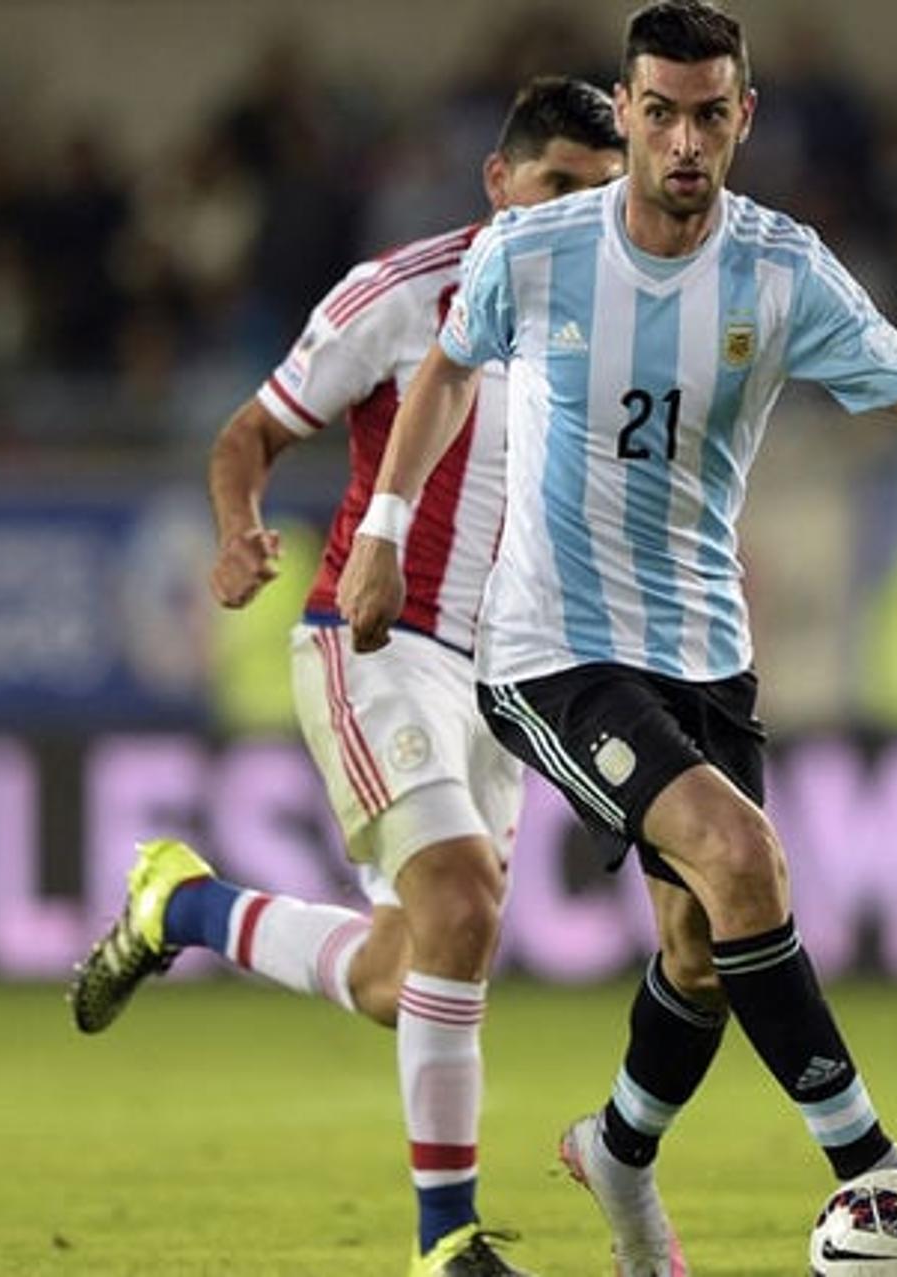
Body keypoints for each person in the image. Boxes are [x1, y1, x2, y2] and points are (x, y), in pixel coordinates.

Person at [337, 4, 897, 1273]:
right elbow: (444, 371)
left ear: (743, 118)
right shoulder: (535, 250)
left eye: (710, 114)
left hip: (706, 647)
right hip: (551, 644)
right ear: (628, 109)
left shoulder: (783, 272)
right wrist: (385, 525)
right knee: (743, 854)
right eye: (658, 112)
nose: (683, 139)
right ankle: (876, 1172)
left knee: (703, 952)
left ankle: (617, 1146)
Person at [68, 79, 626, 1277]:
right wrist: (235, 532)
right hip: (380, 640)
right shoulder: (403, 293)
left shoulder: (623, 316)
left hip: (515, 679)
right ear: (499, 183)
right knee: (463, 904)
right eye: (557, 188)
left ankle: (184, 906)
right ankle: (449, 1244)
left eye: (601, 194)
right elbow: (251, 433)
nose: (579, 214)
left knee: (405, 971)